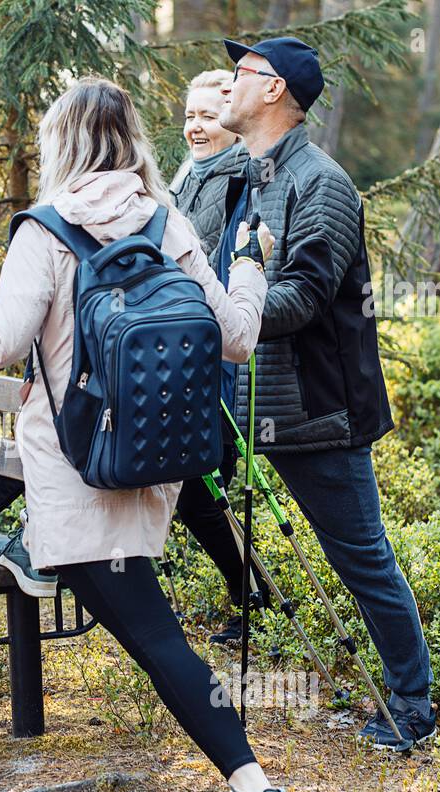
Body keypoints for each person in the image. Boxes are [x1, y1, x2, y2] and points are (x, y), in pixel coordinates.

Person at [0, 77, 295, 792]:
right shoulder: (166, 221)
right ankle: (252, 787)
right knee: (155, 635)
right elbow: (237, 337)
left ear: (64, 144)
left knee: (158, 640)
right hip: (155, 461)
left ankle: (256, 791)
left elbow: (1, 345)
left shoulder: (44, 230)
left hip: (79, 469)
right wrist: (249, 262)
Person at [216, 37, 434, 750]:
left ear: (275, 90)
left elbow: (305, 295)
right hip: (251, 405)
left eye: (240, 75)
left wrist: (228, 312)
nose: (228, 85)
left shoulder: (321, 183)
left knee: (363, 559)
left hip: (316, 414)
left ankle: (413, 706)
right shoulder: (247, 176)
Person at [167, 69, 270, 646]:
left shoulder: (241, 181)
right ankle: (247, 593)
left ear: (231, 121)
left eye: (207, 116)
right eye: (189, 116)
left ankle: (251, 598)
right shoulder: (186, 174)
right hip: (184, 348)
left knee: (207, 479)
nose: (196, 127)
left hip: (218, 353)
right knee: (195, 483)